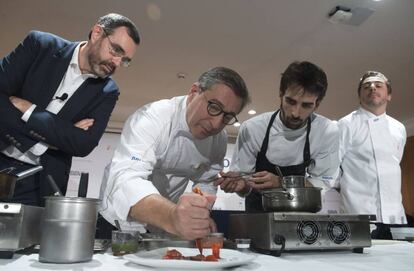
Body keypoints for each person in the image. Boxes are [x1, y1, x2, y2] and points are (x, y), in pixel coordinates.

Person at [0, 13, 140, 206]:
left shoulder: (107, 91)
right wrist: (61, 132)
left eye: (125, 60)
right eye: (115, 50)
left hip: (40, 185)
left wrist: (29, 110)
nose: (116, 63)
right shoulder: (40, 45)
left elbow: (82, 145)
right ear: (97, 33)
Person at [99, 67, 250, 240]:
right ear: (194, 92)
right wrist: (172, 216)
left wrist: (198, 212)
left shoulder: (219, 139)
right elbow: (126, 178)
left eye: (227, 117)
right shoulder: (152, 118)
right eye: (214, 107)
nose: (216, 124)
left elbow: (207, 181)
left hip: (165, 226)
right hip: (120, 220)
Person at [216, 61, 339, 212]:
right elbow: (245, 188)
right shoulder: (253, 129)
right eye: (290, 101)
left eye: (306, 105)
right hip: (258, 217)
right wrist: (241, 186)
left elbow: (323, 182)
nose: (295, 113)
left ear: (317, 104)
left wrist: (282, 183)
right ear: (281, 94)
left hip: (299, 216)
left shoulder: (326, 131)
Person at [338, 71, 407, 239]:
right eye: (366, 86)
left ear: (389, 95)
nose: (372, 88)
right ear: (360, 96)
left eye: (378, 85)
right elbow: (332, 167)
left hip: (395, 215)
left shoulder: (399, 128)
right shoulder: (345, 124)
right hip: (359, 215)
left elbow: (394, 162)